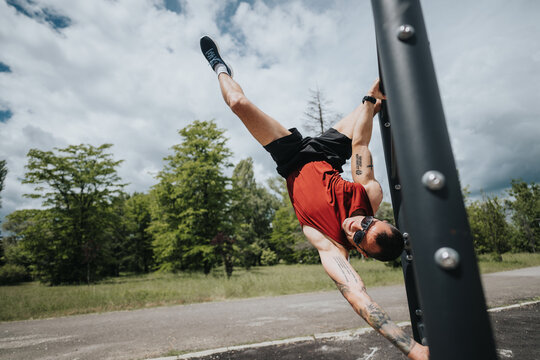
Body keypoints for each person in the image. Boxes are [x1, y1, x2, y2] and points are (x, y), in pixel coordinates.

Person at [200, 35, 429, 360]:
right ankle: (378, 93)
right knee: (374, 102)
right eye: (366, 223)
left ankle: (219, 67)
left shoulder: (332, 247)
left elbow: (358, 297)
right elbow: (360, 147)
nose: (356, 226)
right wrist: (367, 100)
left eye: (359, 237)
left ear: (361, 252)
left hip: (292, 158)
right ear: (375, 217)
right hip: (325, 153)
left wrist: (412, 348)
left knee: (238, 103)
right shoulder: (369, 196)